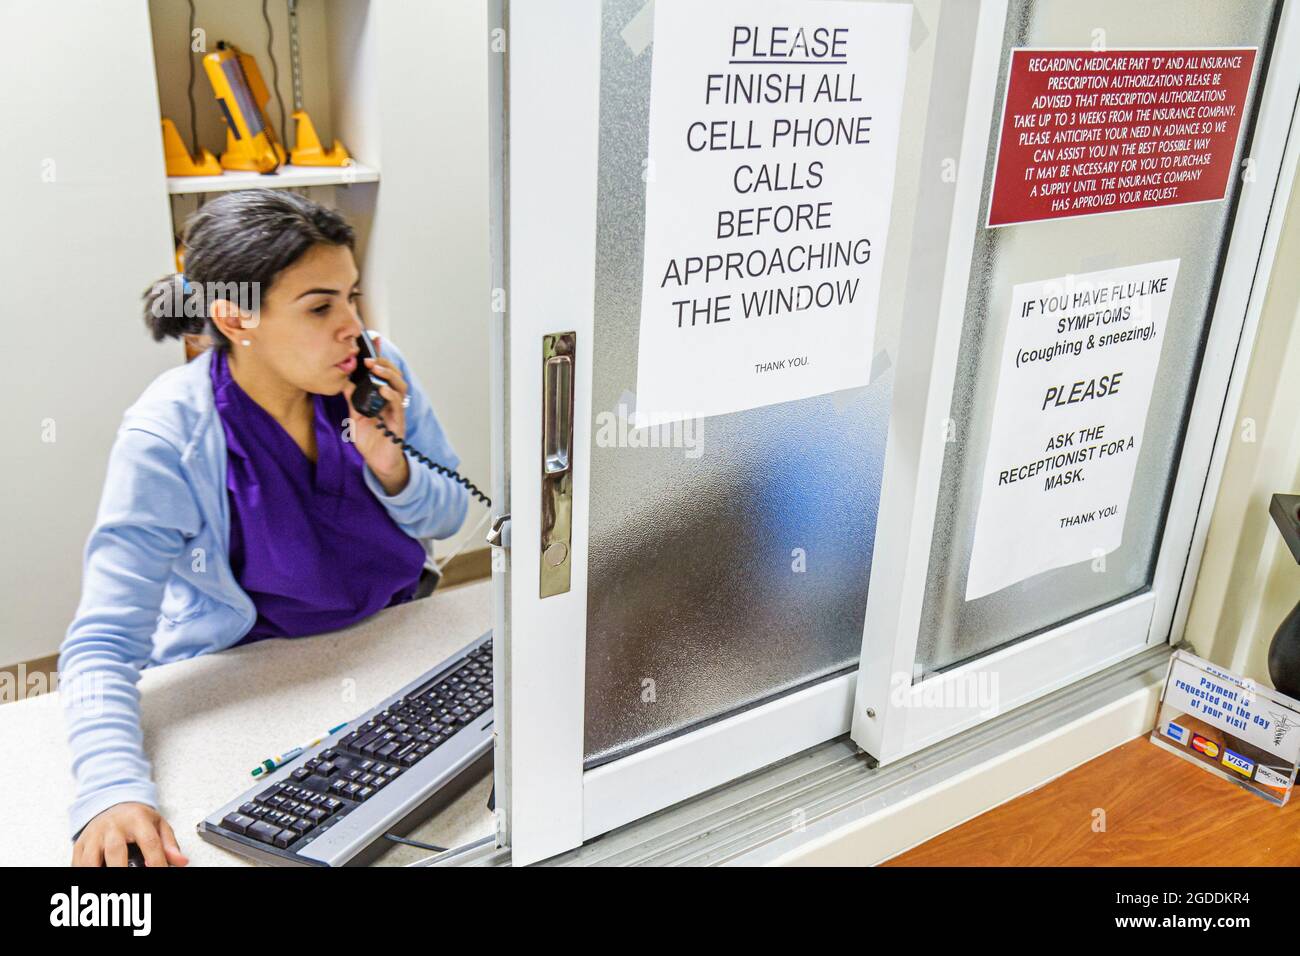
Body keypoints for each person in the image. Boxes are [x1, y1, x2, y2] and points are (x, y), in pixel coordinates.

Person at [59, 189, 469, 866]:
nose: (354, 326)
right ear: (235, 317)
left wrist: (393, 465)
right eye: (320, 306)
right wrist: (109, 788)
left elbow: (450, 514)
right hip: (251, 680)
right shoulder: (169, 437)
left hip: (396, 641)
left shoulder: (370, 373)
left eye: (352, 295)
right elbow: (103, 642)